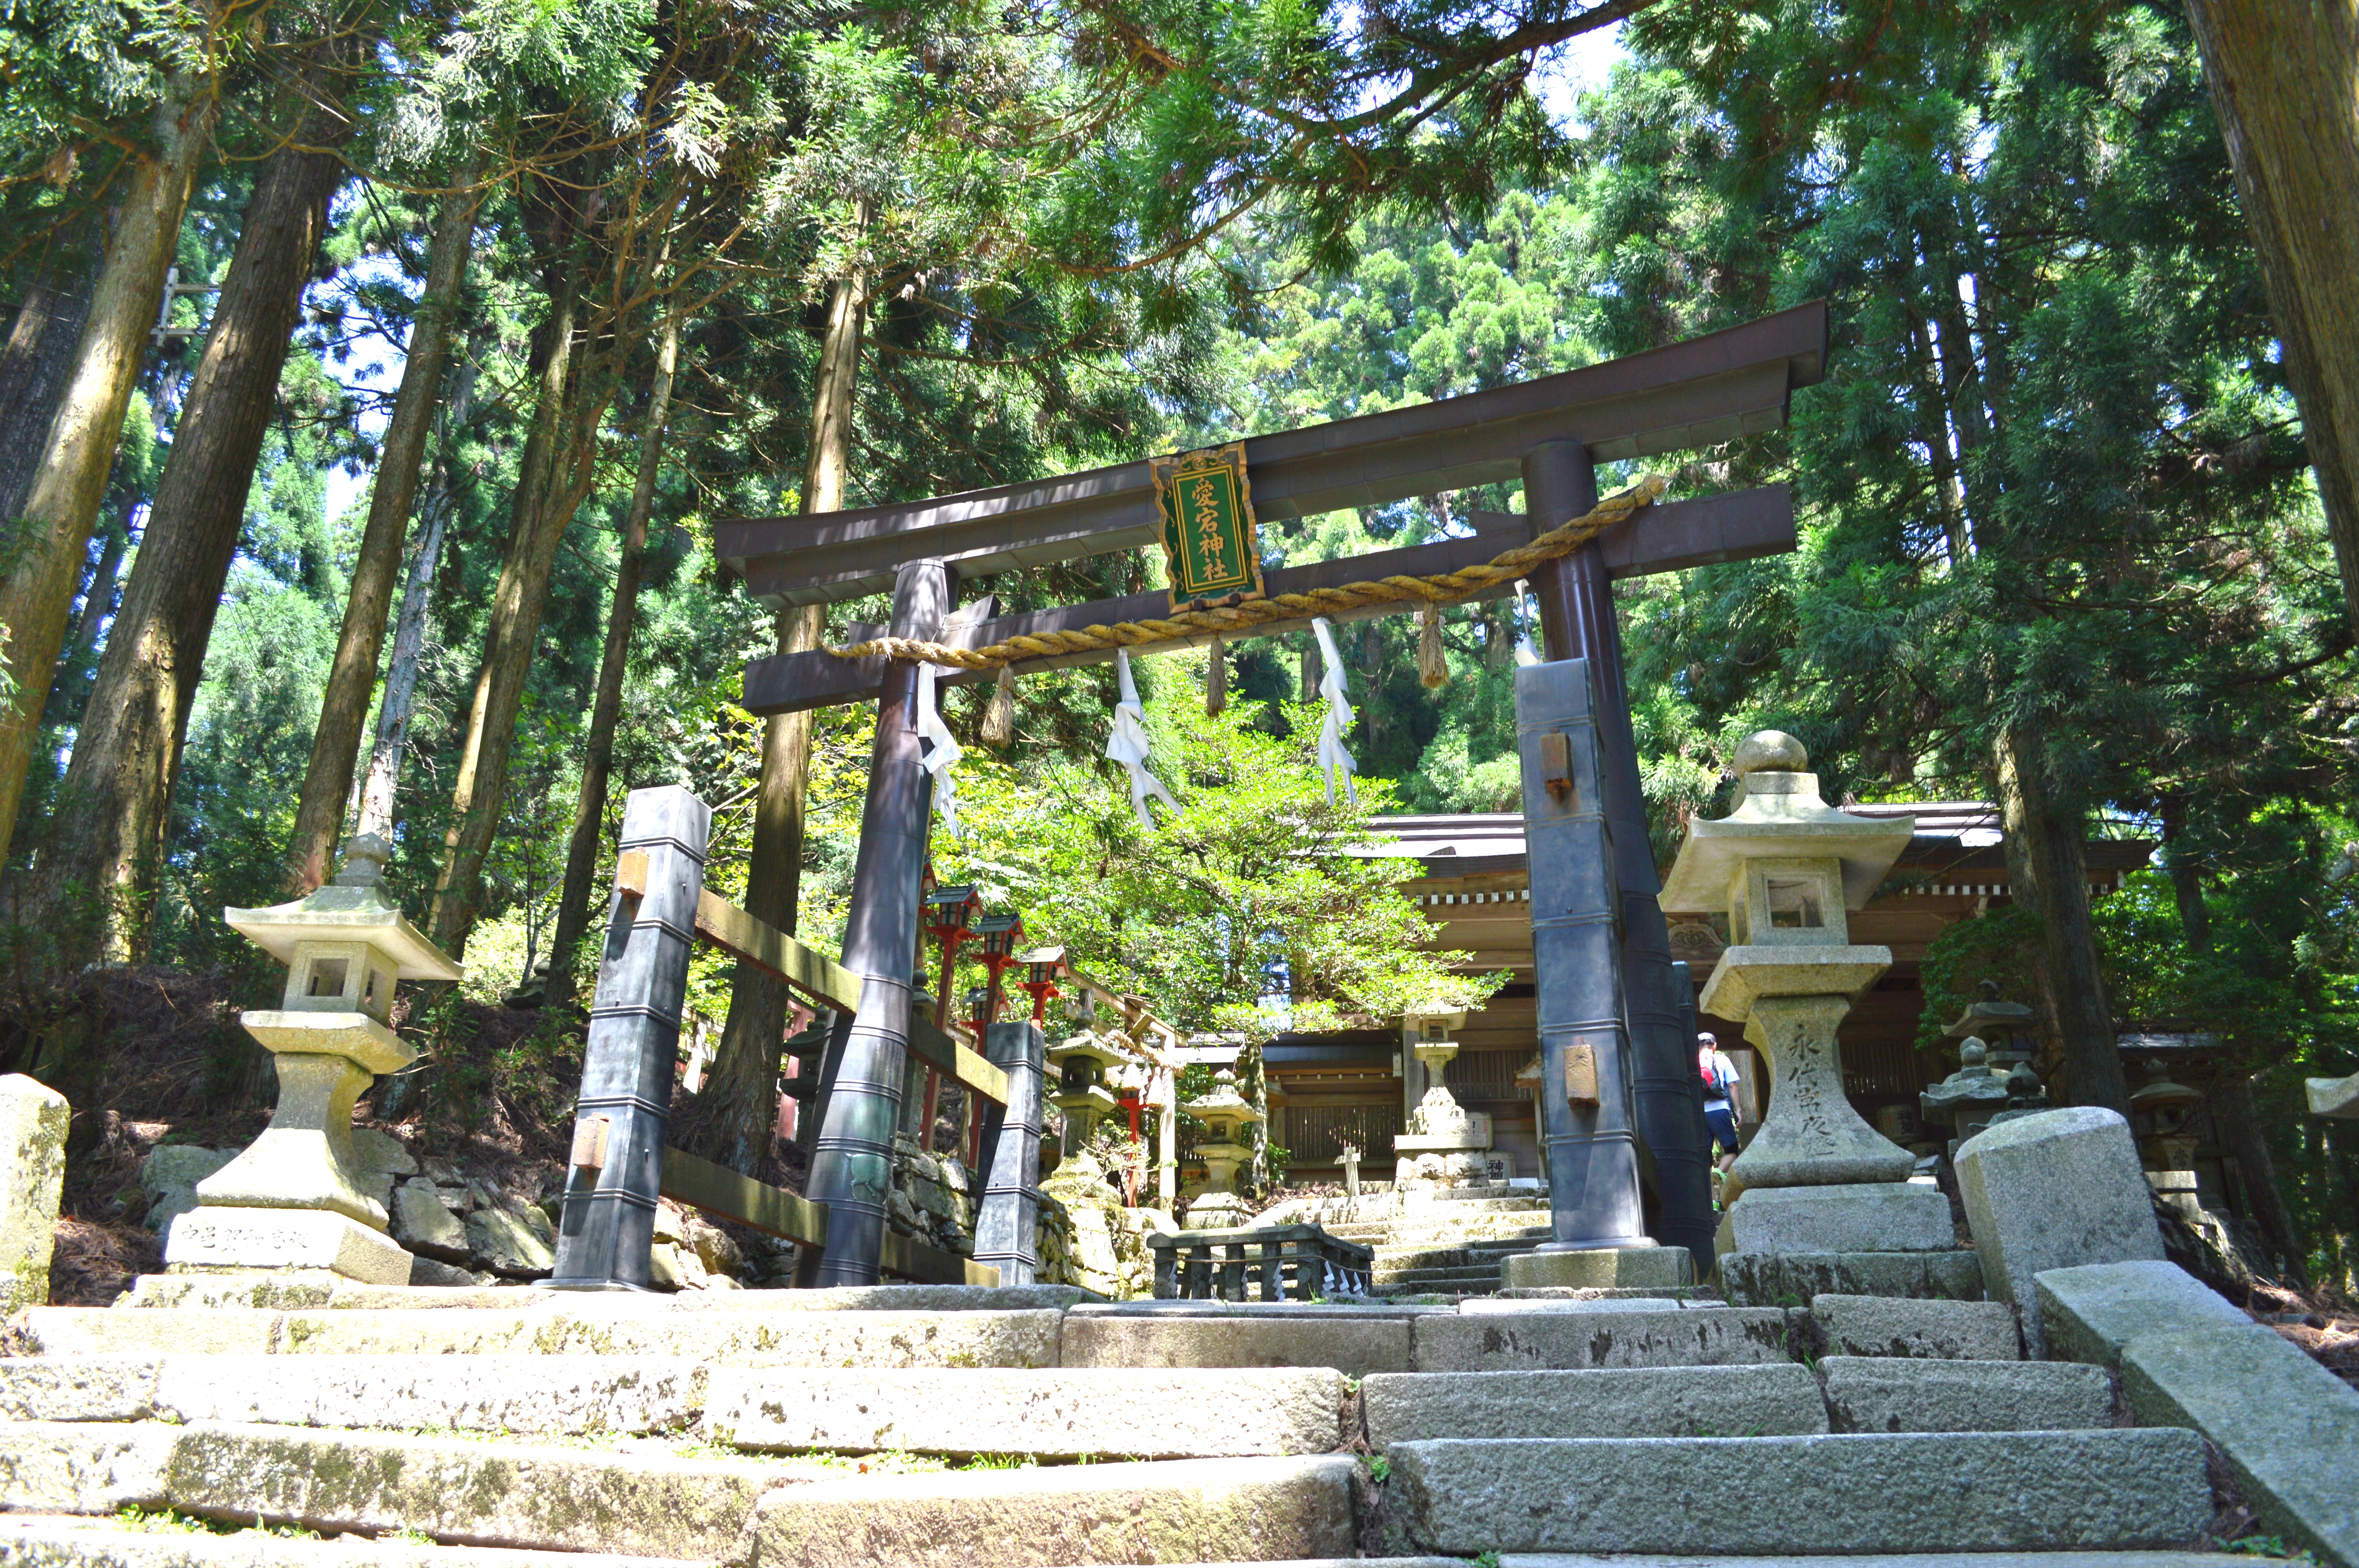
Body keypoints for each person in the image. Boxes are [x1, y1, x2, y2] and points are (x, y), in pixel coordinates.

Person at [1699, 1033, 1742, 1171]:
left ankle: (1709, 1186)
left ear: (1698, 1046)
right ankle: (1718, 1172)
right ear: (1715, 1046)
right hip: (1719, 1110)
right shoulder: (1722, 1060)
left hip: (1699, 1113)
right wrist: (1738, 1111)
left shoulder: (1691, 1063)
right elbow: (1732, 1086)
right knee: (1732, 1151)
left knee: (1704, 1153)